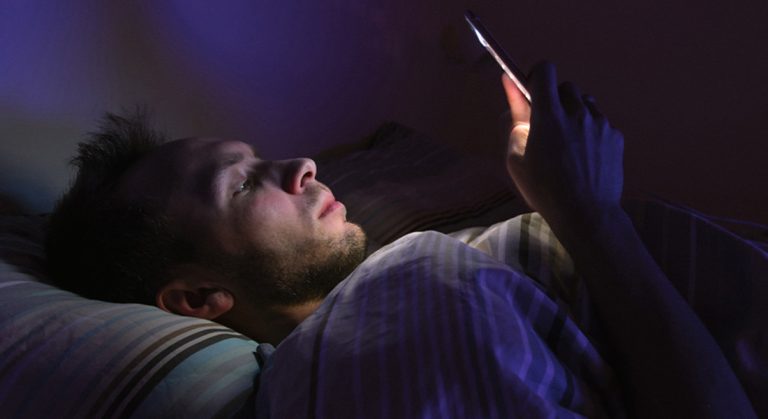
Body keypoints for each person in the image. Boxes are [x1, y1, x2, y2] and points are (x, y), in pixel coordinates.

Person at [45, 63, 756, 418]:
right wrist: (590, 212)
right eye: (242, 184)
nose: (302, 165)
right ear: (200, 297)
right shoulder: (381, 317)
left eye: (261, 158)